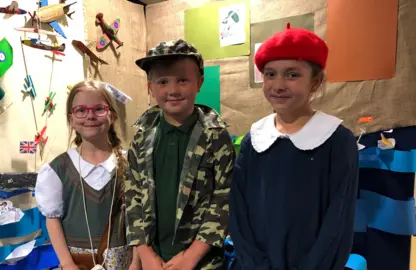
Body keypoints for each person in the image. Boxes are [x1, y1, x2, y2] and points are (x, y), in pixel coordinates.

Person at [229, 23, 359, 270]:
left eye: (292, 74)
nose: (278, 85)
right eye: (270, 74)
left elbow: (338, 222)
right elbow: (239, 214)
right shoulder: (253, 139)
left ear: (316, 81)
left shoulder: (336, 140)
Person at [125, 39, 235, 270]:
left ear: (199, 83)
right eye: (163, 82)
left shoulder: (216, 135)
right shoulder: (142, 136)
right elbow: (133, 196)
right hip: (152, 261)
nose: (173, 90)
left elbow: (224, 198)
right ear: (150, 87)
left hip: (201, 262)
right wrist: (144, 254)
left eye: (182, 80)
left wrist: (190, 258)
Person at [35, 80, 134, 270]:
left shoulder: (130, 163)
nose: (90, 116)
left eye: (99, 109)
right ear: (71, 118)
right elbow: (53, 220)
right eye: (81, 110)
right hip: (77, 265)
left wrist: (136, 263)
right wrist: (67, 264)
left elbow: (140, 220)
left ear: (111, 116)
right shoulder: (57, 170)